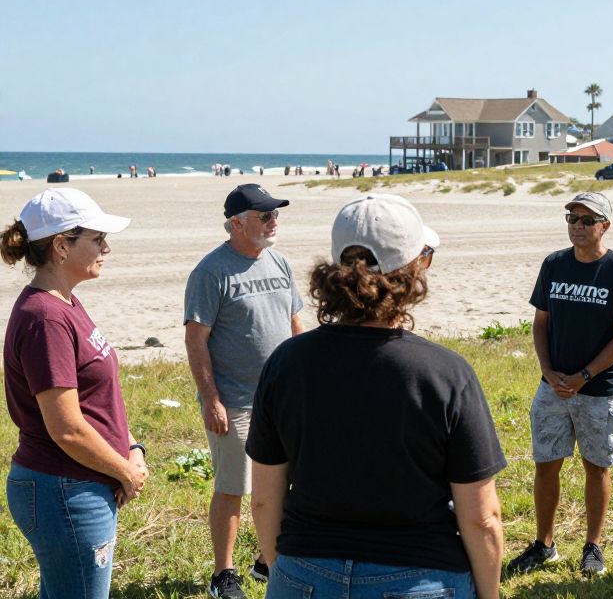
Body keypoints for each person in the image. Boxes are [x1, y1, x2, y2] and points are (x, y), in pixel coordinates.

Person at [247, 193, 505, 599]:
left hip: (305, 569)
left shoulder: (286, 362)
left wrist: (285, 572)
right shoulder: (446, 373)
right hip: (419, 576)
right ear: (413, 272)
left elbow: (264, 500)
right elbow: (482, 518)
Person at [2, 188, 147, 598]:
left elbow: (96, 399)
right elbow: (66, 428)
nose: (106, 248)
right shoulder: (45, 318)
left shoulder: (65, 303)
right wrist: (124, 471)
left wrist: (132, 447)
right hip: (64, 489)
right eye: (97, 239)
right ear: (62, 246)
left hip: (77, 485)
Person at [508, 192, 613, 576]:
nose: (578, 226)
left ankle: (593, 546)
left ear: (605, 226)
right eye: (572, 218)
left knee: (597, 468)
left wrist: (584, 376)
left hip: (599, 390)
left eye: (587, 220)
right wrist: (548, 371)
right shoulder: (554, 264)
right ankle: (544, 544)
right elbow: (541, 323)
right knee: (545, 465)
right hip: (553, 387)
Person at [184, 184, 304, 598]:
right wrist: (211, 399)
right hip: (234, 401)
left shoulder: (280, 262)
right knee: (233, 486)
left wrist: (303, 380)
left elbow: (294, 323)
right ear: (236, 223)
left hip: (281, 399)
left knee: (288, 482)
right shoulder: (211, 272)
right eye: (265, 216)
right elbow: (196, 339)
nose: (274, 222)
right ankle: (223, 574)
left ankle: (267, 561)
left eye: (276, 215)